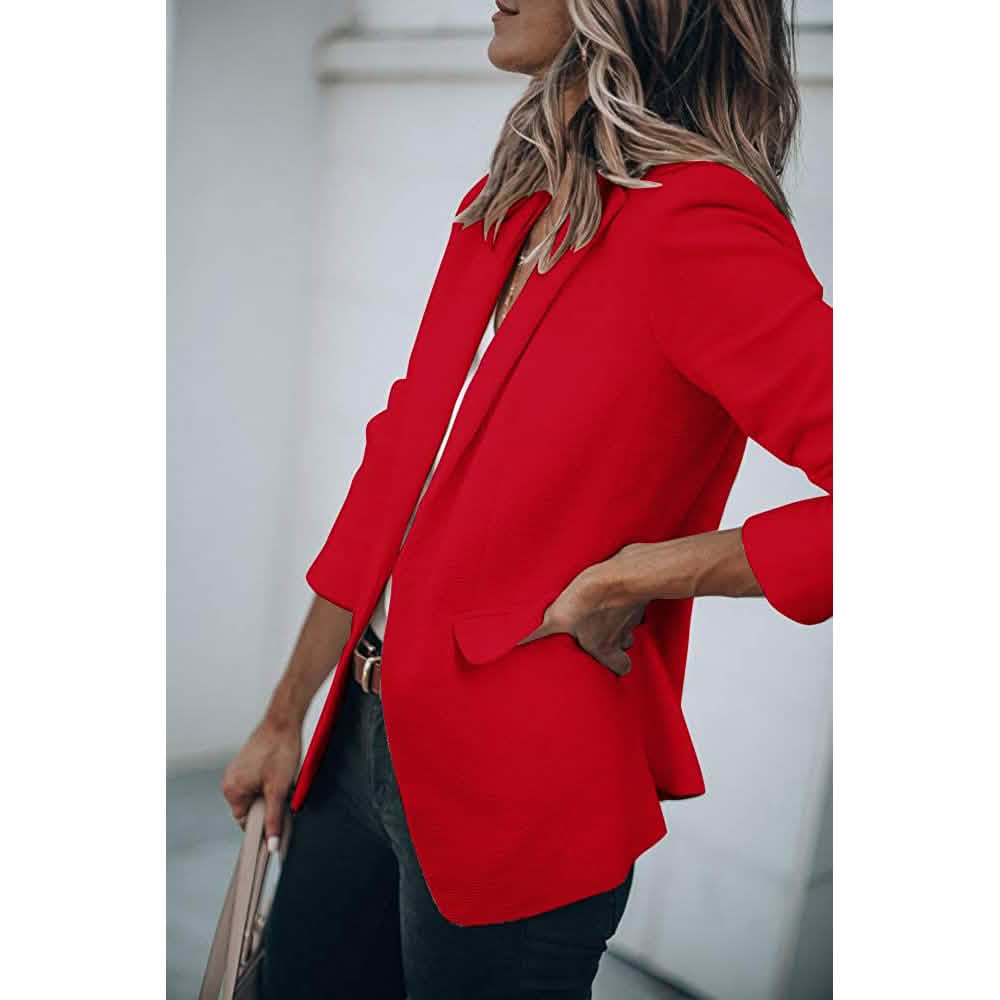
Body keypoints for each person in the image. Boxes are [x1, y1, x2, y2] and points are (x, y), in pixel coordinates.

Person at [221, 1, 832, 997]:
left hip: (526, 789)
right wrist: (286, 714)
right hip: (356, 749)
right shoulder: (506, 201)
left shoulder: (698, 222)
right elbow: (395, 469)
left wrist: (646, 571)